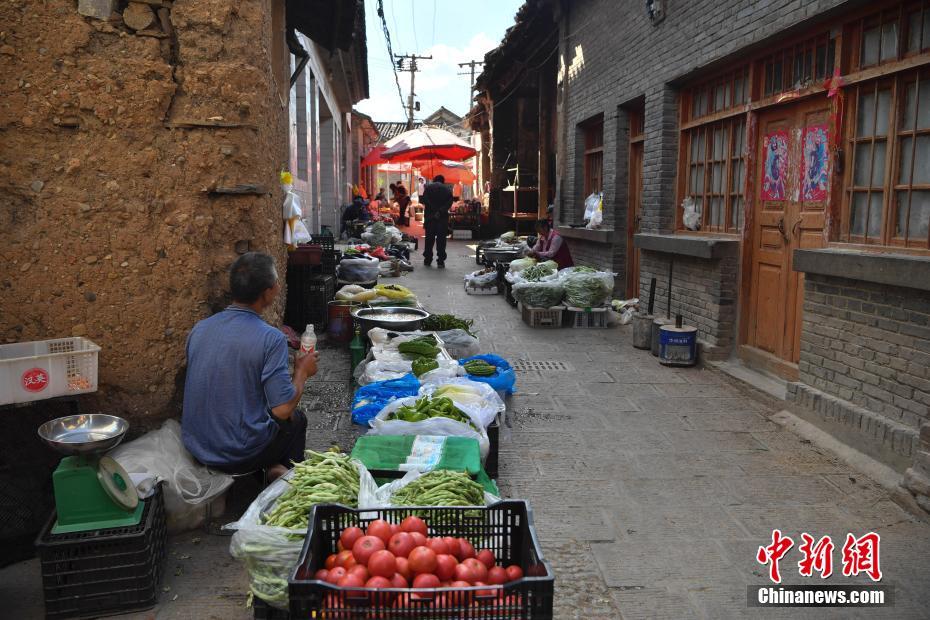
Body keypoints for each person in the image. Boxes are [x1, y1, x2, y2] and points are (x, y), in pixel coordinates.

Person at [182, 252, 319, 481]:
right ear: (268, 292)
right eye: (276, 282)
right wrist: (302, 372)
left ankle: (274, 465)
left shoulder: (200, 329)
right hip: (238, 454)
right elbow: (282, 409)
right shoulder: (270, 339)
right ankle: (281, 478)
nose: (278, 286)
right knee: (296, 419)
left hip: (197, 447)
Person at [421, 174, 453, 268]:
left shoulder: (428, 187)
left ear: (434, 180)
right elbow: (449, 203)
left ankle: (428, 259)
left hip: (430, 218)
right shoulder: (447, 189)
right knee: (441, 240)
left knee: (429, 239)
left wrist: (433, 210)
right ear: (443, 181)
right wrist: (440, 211)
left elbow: (424, 200)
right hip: (442, 218)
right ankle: (440, 261)